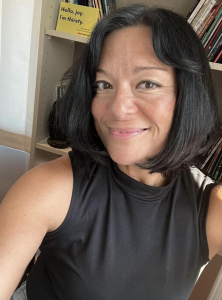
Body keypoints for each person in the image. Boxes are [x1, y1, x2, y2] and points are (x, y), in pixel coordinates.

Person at [1, 4, 222, 300]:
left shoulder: (209, 207)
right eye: (104, 84)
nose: (117, 109)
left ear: (188, 96)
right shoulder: (50, 187)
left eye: (147, 83)